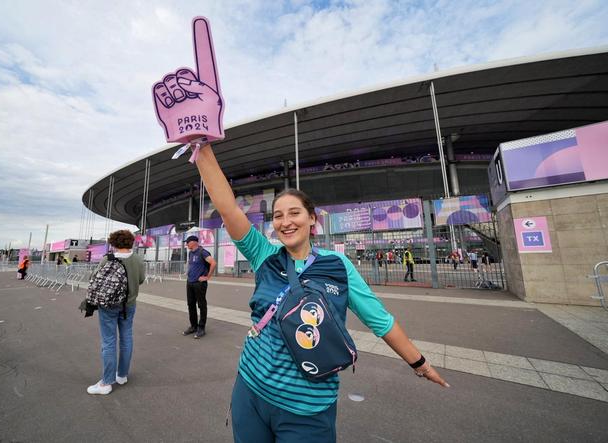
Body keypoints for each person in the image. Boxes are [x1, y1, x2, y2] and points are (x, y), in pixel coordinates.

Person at [193, 143, 448, 442]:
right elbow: (227, 208)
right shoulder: (264, 253)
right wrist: (202, 147)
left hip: (308, 407)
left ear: (312, 218)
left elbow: (380, 320)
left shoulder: (336, 265)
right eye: (278, 216)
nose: (286, 222)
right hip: (250, 390)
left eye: (294, 213)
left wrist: (419, 363)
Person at [87, 229, 146, 395]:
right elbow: (140, 279)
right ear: (131, 242)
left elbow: (95, 278)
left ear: (113, 243)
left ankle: (106, 383)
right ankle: (122, 375)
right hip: (129, 305)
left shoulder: (107, 259)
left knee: (109, 341)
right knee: (126, 337)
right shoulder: (138, 259)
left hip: (109, 305)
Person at [182, 235, 217, 339]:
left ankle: (201, 328)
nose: (186, 244)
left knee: (201, 305)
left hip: (199, 284)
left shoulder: (202, 252)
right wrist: (188, 272)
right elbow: (191, 264)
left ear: (193, 242)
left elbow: (213, 263)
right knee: (191, 304)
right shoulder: (190, 253)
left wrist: (207, 277)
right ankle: (193, 326)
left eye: (187, 242)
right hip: (190, 282)